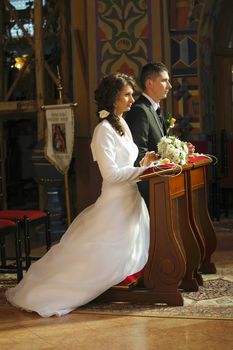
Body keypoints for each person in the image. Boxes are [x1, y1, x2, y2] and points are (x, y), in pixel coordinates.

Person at [5, 73, 154, 318]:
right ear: (113, 97)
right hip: (116, 202)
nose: (131, 99)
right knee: (99, 255)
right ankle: (60, 290)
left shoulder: (122, 123)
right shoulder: (103, 130)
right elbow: (112, 175)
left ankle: (126, 283)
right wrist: (144, 170)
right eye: (127, 94)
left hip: (131, 199)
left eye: (131, 94)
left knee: (127, 252)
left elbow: (126, 162)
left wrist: (144, 162)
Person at [125, 62, 172, 206]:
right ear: (149, 83)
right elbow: (139, 154)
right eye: (164, 81)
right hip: (150, 188)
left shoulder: (154, 108)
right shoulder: (140, 110)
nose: (169, 86)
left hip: (161, 182)